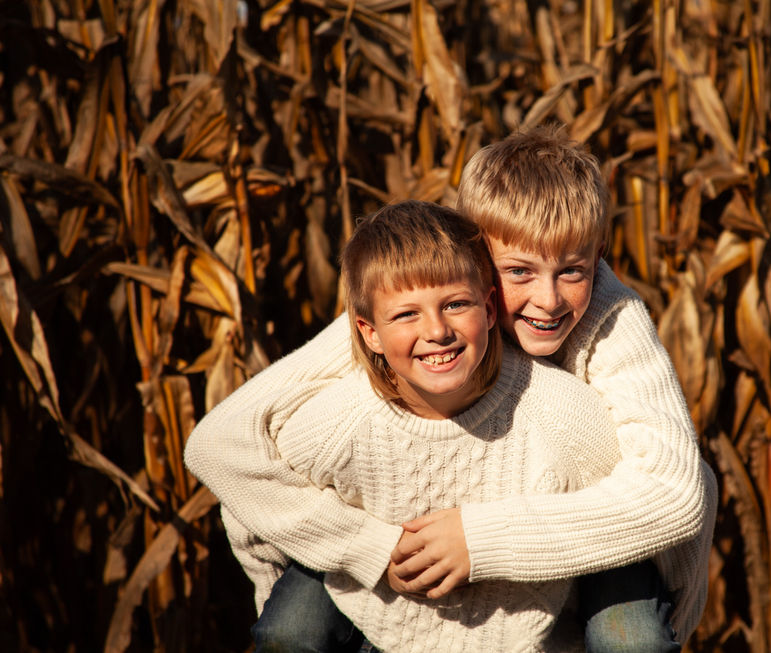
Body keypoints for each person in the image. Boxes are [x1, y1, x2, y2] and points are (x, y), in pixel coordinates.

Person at [184, 127, 716, 651]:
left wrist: (479, 540)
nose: (548, 300)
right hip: (408, 527)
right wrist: (366, 545)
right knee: (289, 633)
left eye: (572, 270)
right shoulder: (428, 310)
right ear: (476, 252)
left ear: (597, 258)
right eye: (518, 272)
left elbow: (674, 493)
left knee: (632, 640)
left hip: (584, 521)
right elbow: (225, 440)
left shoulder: (615, 322)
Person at [240, 200, 625, 650]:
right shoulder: (338, 424)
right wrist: (290, 591)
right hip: (380, 634)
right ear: (369, 333)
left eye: (456, 305)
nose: (437, 330)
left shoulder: (560, 412)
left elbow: (650, 510)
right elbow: (249, 507)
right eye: (406, 314)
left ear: (488, 305)